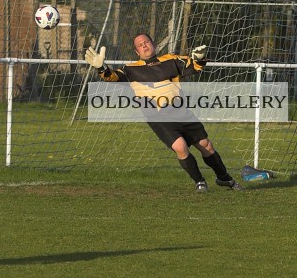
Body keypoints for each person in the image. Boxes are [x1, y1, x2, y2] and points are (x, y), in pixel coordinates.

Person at [85, 32, 242, 192]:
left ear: (153, 44)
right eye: (140, 45)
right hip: (158, 117)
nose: (144, 45)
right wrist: (101, 67)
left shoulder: (171, 60)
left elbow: (194, 66)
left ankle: (224, 178)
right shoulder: (130, 70)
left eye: (146, 42)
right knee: (180, 147)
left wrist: (199, 58)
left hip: (181, 112)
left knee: (205, 145)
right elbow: (111, 77)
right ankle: (199, 181)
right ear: (137, 52)